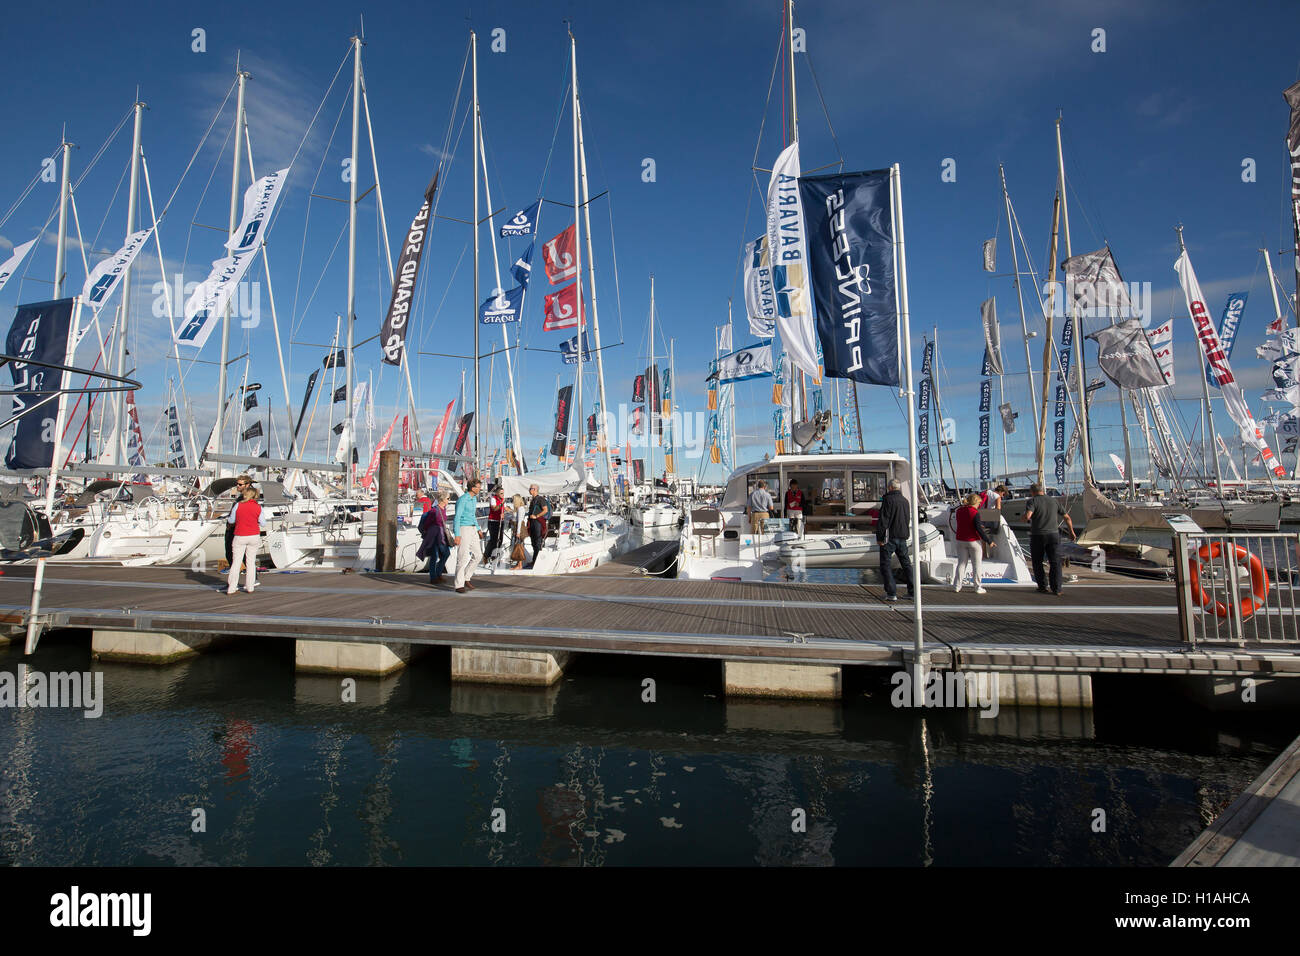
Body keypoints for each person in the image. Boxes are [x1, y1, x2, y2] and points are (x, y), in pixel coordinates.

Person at [1024, 482, 1076, 595]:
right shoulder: (1054, 501)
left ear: (1032, 492)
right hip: (1053, 535)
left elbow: (1028, 516)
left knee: (1037, 562)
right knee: (1055, 562)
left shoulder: (1032, 501)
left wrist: (1024, 519)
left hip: (1038, 535)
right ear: (1042, 490)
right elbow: (1067, 517)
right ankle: (1057, 589)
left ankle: (1042, 586)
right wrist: (1071, 532)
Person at [875, 478, 915, 603]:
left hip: (889, 537)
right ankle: (913, 591)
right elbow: (906, 518)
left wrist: (880, 537)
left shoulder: (887, 500)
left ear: (890, 487)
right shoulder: (905, 501)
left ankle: (891, 593)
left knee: (885, 565)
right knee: (906, 564)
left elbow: (883, 520)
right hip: (902, 536)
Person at [226, 476, 266, 595]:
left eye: (240, 484)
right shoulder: (258, 507)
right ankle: (250, 586)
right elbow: (263, 523)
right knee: (250, 562)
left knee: (236, 562)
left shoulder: (238, 505)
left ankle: (231, 587)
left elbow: (231, 520)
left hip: (240, 534)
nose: (237, 486)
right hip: (253, 535)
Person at [953, 492, 995, 594]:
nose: (979, 505)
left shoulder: (959, 511)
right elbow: (979, 530)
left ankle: (957, 586)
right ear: (975, 503)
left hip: (960, 540)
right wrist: (989, 541)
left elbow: (964, 523)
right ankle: (977, 587)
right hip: (973, 541)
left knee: (961, 564)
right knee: (977, 565)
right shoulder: (975, 512)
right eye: (979, 503)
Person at [452, 478, 485, 593]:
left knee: (478, 555)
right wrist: (457, 534)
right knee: (462, 557)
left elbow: (472, 515)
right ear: (472, 488)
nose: (480, 489)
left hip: (472, 528)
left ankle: (466, 577)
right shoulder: (463, 500)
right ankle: (459, 584)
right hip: (463, 528)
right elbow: (457, 517)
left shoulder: (473, 499)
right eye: (478, 487)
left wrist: (478, 529)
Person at [417, 491, 451, 584]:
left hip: (441, 536)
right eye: (448, 498)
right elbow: (427, 524)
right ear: (443, 499)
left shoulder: (443, 509)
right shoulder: (434, 510)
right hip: (434, 537)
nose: (449, 500)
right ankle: (434, 577)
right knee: (434, 556)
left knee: (446, 554)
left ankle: (438, 573)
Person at [526, 484, 549, 570]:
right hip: (532, 522)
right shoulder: (533, 499)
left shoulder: (540, 499)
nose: (529, 490)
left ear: (535, 489)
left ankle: (537, 562)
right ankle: (534, 560)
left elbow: (545, 510)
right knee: (533, 542)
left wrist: (537, 516)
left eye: (530, 488)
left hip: (537, 522)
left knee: (537, 542)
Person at [485, 485, 505, 564]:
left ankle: (496, 556)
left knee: (500, 539)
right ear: (497, 493)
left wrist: (514, 510)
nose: (503, 495)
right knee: (494, 540)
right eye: (501, 493)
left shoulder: (502, 500)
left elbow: (505, 508)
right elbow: (494, 508)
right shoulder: (493, 499)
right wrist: (501, 504)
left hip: (500, 521)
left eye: (503, 493)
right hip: (493, 521)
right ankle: (487, 555)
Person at [509, 494, 529, 570]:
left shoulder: (520, 508)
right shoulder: (517, 508)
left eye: (513, 499)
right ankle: (519, 564)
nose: (512, 501)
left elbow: (520, 521)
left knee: (519, 546)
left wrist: (518, 532)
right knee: (519, 545)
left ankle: (519, 565)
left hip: (519, 528)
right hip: (517, 527)